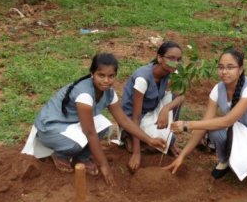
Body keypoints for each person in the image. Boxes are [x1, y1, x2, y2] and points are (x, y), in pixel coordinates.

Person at [21, 53, 165, 185]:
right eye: (101, 75)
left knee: (104, 125)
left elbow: (124, 121)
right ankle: (60, 155)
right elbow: (89, 132)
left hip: (70, 124)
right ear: (92, 74)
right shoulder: (84, 94)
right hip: (50, 128)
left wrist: (150, 140)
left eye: (111, 76)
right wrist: (104, 165)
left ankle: (81, 158)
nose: (106, 81)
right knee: (76, 144)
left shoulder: (109, 92)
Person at [164, 48, 247, 181]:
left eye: (230, 67)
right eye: (221, 67)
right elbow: (204, 124)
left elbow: (227, 121)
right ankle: (225, 161)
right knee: (213, 131)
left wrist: (187, 125)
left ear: (240, 70)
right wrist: (181, 156)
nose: (224, 72)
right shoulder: (217, 90)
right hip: (237, 127)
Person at [120, 41, 185, 173]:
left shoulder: (174, 71)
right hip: (134, 116)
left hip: (152, 108)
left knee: (168, 138)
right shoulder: (142, 79)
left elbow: (182, 96)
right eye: (171, 58)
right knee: (163, 141)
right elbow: (136, 115)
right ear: (159, 58)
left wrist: (166, 109)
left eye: (179, 59)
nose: (176, 63)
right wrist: (137, 154)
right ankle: (129, 137)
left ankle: (168, 142)